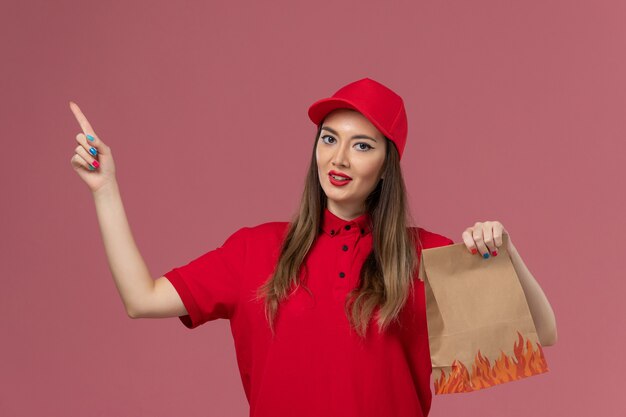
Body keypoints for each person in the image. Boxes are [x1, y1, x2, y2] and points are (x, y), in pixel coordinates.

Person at [69, 77, 557, 417]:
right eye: (329, 139)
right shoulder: (255, 250)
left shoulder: (424, 257)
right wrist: (104, 189)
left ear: (388, 163)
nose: (339, 158)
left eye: (362, 145)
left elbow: (542, 333)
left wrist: (506, 255)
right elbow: (141, 298)